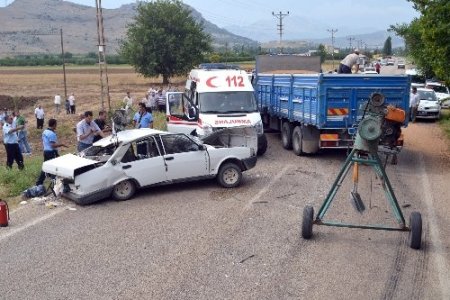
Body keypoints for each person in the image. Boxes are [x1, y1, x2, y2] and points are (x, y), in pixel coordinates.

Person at [35, 119, 67, 186]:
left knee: (45, 168)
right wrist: (62, 144)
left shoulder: (45, 131)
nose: (56, 126)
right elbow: (53, 145)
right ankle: (55, 184)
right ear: (54, 124)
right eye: (56, 124)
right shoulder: (52, 134)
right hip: (51, 152)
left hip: (46, 151)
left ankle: (39, 182)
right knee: (54, 169)